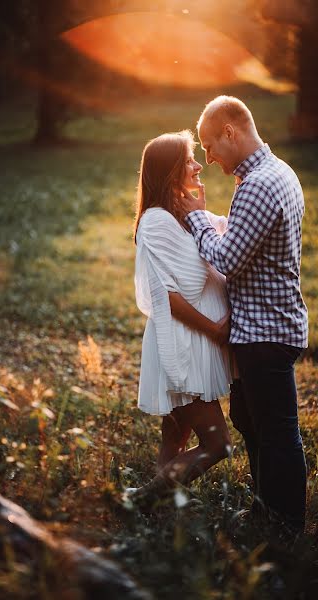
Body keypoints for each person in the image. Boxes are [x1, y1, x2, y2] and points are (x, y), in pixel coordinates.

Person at [181, 96, 308, 533]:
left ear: (231, 132)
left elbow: (228, 257)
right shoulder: (278, 173)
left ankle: (285, 520)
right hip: (264, 325)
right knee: (249, 419)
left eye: (209, 145)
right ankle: (265, 505)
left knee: (276, 430)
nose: (208, 157)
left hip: (265, 331)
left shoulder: (258, 184)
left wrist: (197, 219)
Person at [129, 130, 233, 505]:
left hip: (194, 340)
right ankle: (142, 500)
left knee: (174, 437)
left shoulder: (181, 214)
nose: (197, 164)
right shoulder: (156, 222)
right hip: (182, 344)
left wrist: (201, 214)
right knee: (218, 445)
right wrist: (216, 331)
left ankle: (152, 518)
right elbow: (171, 296)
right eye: (189, 159)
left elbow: (220, 248)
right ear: (170, 171)